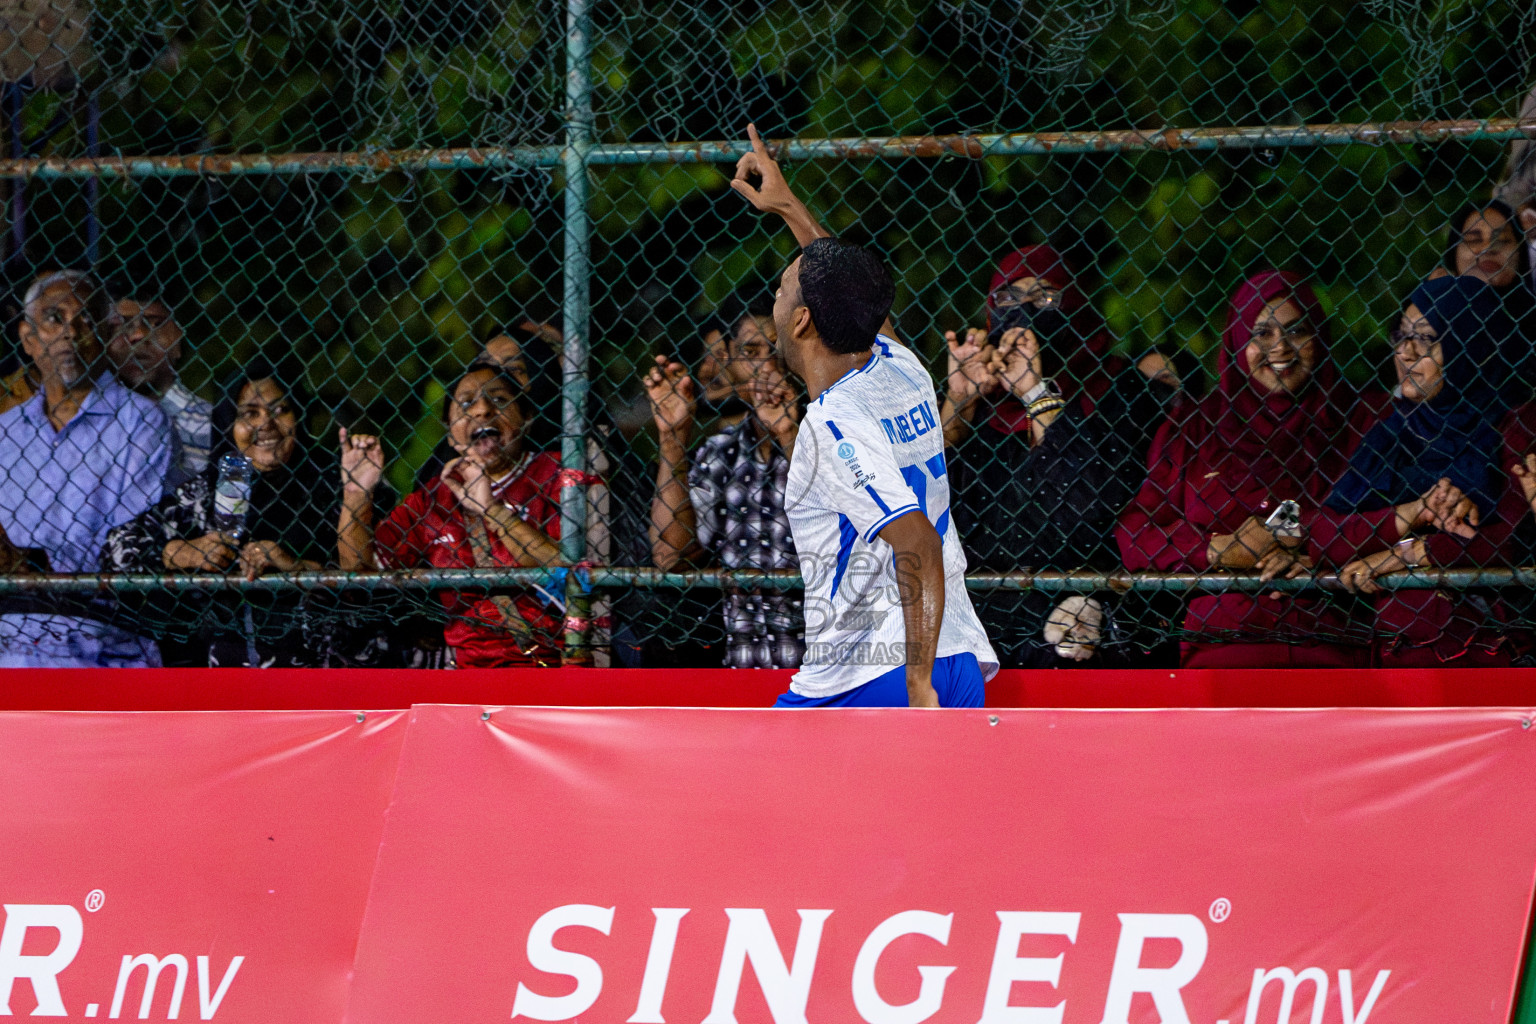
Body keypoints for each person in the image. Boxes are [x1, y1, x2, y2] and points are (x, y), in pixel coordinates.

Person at [731, 123, 997, 706]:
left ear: (802, 323)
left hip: (874, 674)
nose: (773, 302)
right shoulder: (902, 367)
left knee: (747, 792)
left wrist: (917, 682)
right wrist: (788, 207)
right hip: (957, 653)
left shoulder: (832, 424)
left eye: (781, 291)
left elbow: (917, 543)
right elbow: (851, 294)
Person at [1116, 270, 1389, 668]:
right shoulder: (1194, 428)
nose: (1280, 347)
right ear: (1237, 341)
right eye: (1261, 333)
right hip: (1221, 647)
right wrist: (1217, 549)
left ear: (1320, 339)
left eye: (1297, 331)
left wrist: (1302, 538)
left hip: (1333, 640)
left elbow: (1386, 510)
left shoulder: (1359, 421)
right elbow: (1135, 532)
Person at [945, 247, 1182, 666]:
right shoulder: (984, 404)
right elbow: (927, 507)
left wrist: (1036, 392)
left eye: (1045, 296)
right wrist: (959, 400)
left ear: (1075, 303)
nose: (1024, 312)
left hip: (1090, 611)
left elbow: (1085, 505)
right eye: (1009, 299)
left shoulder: (1122, 392)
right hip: (985, 619)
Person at [102, 360, 393, 666]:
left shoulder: (338, 481)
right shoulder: (216, 490)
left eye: (281, 410)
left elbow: (371, 587)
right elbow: (115, 550)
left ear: (300, 417)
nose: (266, 424)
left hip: (329, 677)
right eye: (250, 413)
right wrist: (183, 552)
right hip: (226, 681)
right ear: (229, 423)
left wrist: (296, 567)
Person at [1317, 276, 1531, 665]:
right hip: (1395, 651)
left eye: (1429, 339)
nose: (1407, 352)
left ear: (1471, 345)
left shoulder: (1516, 424)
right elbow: (1324, 532)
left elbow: (1512, 538)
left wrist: (1407, 554)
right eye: (1402, 336)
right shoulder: (1391, 434)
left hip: (1494, 650)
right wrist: (1414, 513)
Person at [0, 269, 172, 666]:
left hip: (104, 640)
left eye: (87, 320)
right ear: (29, 339)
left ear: (107, 337)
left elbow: (127, 550)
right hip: (11, 642)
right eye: (55, 319)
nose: (71, 333)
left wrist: (31, 568)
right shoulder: (6, 432)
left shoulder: (141, 422)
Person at [369, 362, 569, 668]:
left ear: (527, 418)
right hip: (467, 670)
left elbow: (563, 567)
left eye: (500, 400)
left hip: (553, 663)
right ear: (451, 435)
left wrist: (491, 510)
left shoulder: (557, 474)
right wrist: (357, 494)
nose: (482, 410)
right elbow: (361, 567)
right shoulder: (435, 496)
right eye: (465, 403)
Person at [644, 306, 804, 669]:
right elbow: (671, 556)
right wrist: (672, 439)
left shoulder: (839, 437)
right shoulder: (721, 451)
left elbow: (845, 535)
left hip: (832, 668)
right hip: (747, 667)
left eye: (781, 352)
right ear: (728, 361)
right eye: (751, 353)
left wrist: (790, 436)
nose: (767, 367)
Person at [105, 294, 215, 486]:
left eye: (155, 324)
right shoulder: (84, 417)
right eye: (121, 325)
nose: (138, 334)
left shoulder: (213, 424)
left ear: (177, 340)